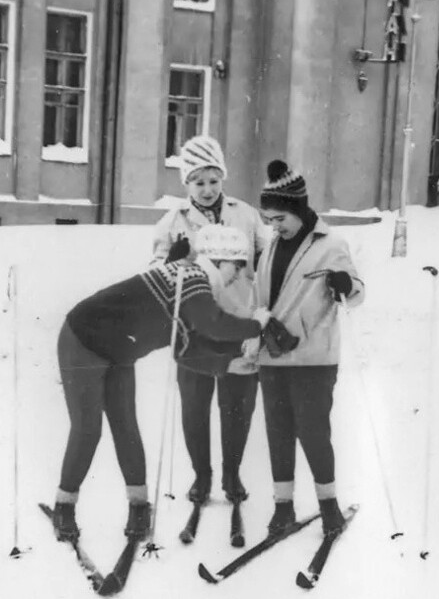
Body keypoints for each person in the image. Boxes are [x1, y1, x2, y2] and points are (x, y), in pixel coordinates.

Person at [50, 229, 279, 544]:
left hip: (119, 350)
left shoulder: (195, 287)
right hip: (82, 340)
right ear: (218, 258)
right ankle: (64, 506)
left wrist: (227, 364)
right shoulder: (191, 275)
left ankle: (138, 505)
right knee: (88, 428)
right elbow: (212, 324)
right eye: (236, 265)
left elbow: (184, 349)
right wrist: (257, 324)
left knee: (126, 425)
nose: (238, 274)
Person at [151, 135, 272, 506]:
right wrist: (172, 260)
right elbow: (157, 272)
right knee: (195, 406)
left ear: (223, 179)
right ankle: (201, 476)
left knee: (237, 406)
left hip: (237, 322)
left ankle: (232, 474)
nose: (206, 190)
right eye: (198, 182)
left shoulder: (247, 215)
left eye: (213, 181)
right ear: (186, 183)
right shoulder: (173, 221)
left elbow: (266, 262)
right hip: (195, 329)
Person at [255, 159, 365, 538]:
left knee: (314, 432)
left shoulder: (331, 244)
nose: (274, 225)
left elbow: (357, 293)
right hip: (273, 355)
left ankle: (328, 507)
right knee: (278, 433)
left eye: (279, 217)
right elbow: (261, 295)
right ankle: (282, 507)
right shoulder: (271, 247)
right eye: (268, 219)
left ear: (298, 210)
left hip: (314, 358)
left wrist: (343, 283)